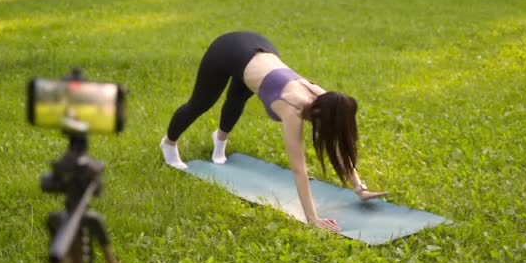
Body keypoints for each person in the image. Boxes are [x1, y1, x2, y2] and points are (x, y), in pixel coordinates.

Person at [160, 31, 386, 231]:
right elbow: (299, 170)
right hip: (228, 50)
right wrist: (313, 219)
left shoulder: (327, 100)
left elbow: (337, 143)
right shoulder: (292, 111)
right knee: (200, 104)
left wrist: (360, 188)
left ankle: (219, 140)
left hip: (260, 52)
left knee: (236, 100)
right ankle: (168, 143)